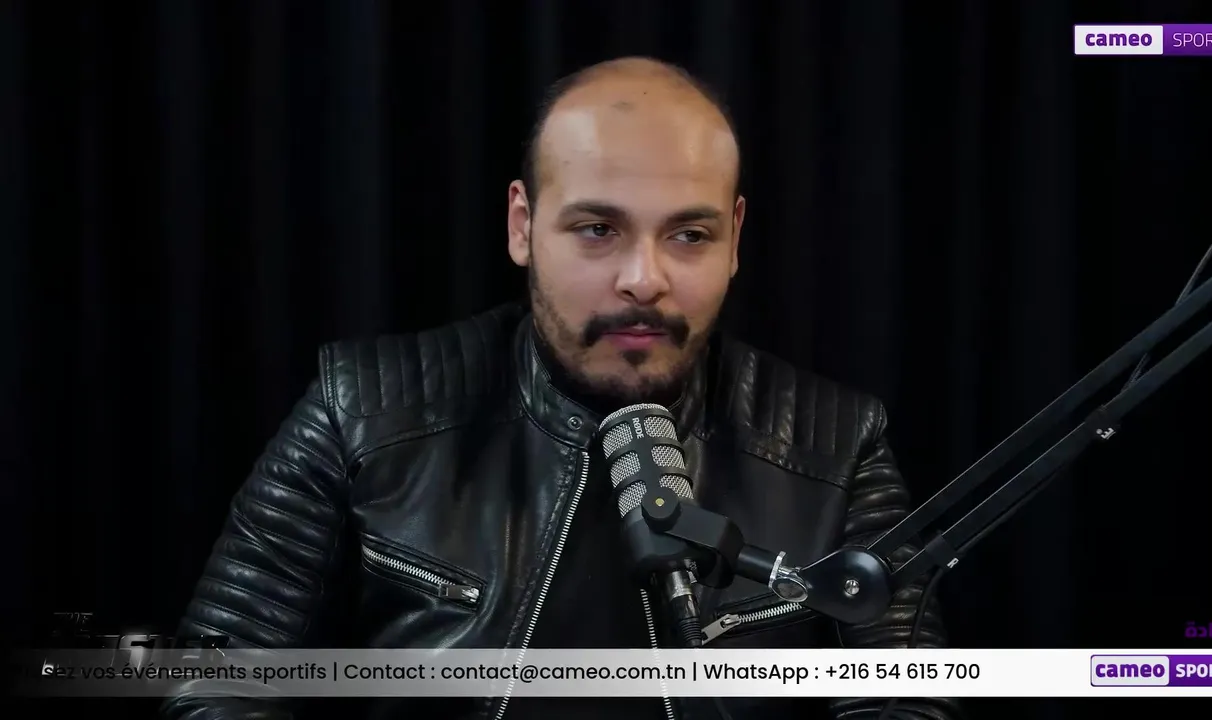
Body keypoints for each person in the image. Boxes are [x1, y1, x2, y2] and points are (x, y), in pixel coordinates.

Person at [160, 57, 962, 720]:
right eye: (597, 229)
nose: (643, 279)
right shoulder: (363, 409)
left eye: (689, 234)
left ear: (734, 239)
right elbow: (217, 678)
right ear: (523, 225)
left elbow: (906, 701)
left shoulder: (836, 444)